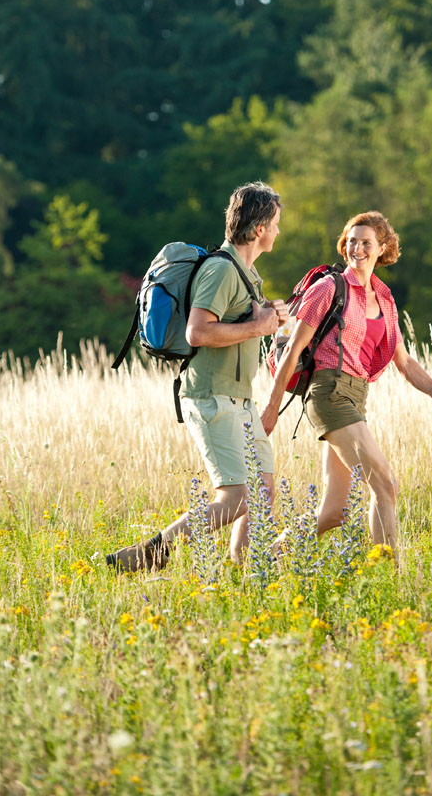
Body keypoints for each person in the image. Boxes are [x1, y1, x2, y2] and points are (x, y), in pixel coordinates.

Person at [260, 211, 432, 553]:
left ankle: (267, 557)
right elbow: (293, 349)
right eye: (352, 241)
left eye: (366, 243)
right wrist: (271, 409)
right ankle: (389, 575)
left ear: (382, 248)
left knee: (333, 512)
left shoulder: (385, 300)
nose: (357, 249)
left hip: (356, 397)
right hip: (329, 394)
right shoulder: (328, 288)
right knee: (385, 484)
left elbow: (404, 362)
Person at [108, 181, 288, 572]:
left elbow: (244, 322)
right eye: (274, 223)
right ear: (259, 229)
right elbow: (198, 333)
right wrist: (258, 328)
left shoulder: (247, 273)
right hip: (210, 398)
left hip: (239, 399)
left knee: (263, 491)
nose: (278, 231)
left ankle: (246, 571)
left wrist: (269, 317)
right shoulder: (222, 270)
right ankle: (152, 552)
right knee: (238, 496)